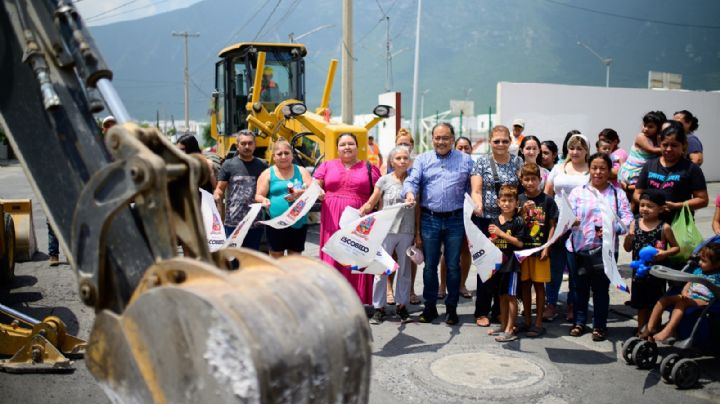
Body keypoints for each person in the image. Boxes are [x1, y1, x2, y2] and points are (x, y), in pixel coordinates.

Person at [404, 122, 473, 325]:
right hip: (430, 219)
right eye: (437, 138)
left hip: (456, 220)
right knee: (429, 266)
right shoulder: (423, 160)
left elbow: (473, 188)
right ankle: (430, 307)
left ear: (452, 139)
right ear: (432, 139)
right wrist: (408, 193)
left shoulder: (466, 161)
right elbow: (412, 181)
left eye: (445, 138)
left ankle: (452, 308)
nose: (441, 141)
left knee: (453, 266)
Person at [567, 153, 633, 341]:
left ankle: (599, 326)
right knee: (578, 289)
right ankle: (579, 322)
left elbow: (627, 219)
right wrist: (572, 221)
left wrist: (612, 228)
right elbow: (566, 217)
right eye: (594, 168)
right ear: (589, 168)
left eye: (602, 168)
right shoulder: (577, 192)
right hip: (577, 248)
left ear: (609, 170)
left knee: (601, 290)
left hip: (605, 251)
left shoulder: (617, 193)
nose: (598, 172)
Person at [314, 133, 380, 305]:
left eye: (351, 143)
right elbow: (315, 183)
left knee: (356, 255)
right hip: (331, 218)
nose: (347, 147)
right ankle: (332, 300)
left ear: (357, 147)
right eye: (343, 144)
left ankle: (357, 300)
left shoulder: (369, 167)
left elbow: (379, 191)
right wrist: (318, 190)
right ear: (337, 148)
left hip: (358, 217)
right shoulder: (327, 165)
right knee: (333, 256)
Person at [470, 125, 523, 327]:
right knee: (486, 266)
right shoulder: (482, 162)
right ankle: (482, 311)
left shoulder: (517, 162)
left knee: (506, 268)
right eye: (496, 141)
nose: (501, 144)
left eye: (504, 141)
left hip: (510, 222)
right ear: (490, 142)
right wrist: (478, 204)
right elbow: (476, 189)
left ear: (510, 142)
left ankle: (499, 311)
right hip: (488, 220)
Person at [361, 146, 415, 324]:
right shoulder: (383, 181)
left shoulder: (413, 182)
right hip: (386, 230)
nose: (402, 161)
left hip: (407, 230)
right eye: (398, 158)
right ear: (391, 161)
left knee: (405, 270)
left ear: (409, 161)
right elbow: (372, 201)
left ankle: (402, 306)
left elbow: (419, 209)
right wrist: (361, 211)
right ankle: (379, 307)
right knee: (381, 270)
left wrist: (419, 233)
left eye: (405, 158)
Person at [543, 133, 590, 322]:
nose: (575, 151)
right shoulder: (559, 167)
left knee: (574, 269)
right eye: (572, 148)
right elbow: (547, 193)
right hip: (557, 223)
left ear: (587, 150)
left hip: (580, 226)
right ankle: (551, 303)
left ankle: (572, 304)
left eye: (580, 148)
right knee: (554, 267)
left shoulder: (590, 170)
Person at [623, 191, 680, 334]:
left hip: (657, 274)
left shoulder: (664, 227)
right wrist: (628, 238)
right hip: (639, 274)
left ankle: (653, 329)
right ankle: (642, 331)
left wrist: (665, 253)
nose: (644, 209)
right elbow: (627, 248)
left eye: (650, 206)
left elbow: (676, 247)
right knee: (641, 305)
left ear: (661, 209)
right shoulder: (634, 224)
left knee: (656, 303)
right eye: (642, 205)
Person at [641, 242, 720, 343]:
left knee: (681, 302)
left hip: (704, 300)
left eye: (704, 261)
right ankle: (650, 328)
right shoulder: (698, 270)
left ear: (717, 264)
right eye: (700, 259)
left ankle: (668, 331)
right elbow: (690, 282)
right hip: (689, 296)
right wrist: (685, 290)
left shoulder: (718, 276)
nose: (700, 262)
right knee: (664, 300)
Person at [634, 122, 708, 224]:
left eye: (674, 145)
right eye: (665, 145)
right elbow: (637, 193)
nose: (668, 149)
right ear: (660, 144)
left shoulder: (691, 169)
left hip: (678, 225)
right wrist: (650, 206)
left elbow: (702, 200)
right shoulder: (649, 165)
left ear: (684, 145)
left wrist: (678, 206)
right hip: (650, 225)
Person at [383, 128, 422, 305]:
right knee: (390, 258)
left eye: (407, 144)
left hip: (408, 222)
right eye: (401, 144)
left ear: (412, 146)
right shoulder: (387, 165)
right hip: (390, 223)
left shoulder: (416, 167)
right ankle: (389, 289)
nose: (404, 147)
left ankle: (409, 290)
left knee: (408, 259)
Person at [518, 162, 558, 338]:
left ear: (540, 180)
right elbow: (513, 223)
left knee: (539, 286)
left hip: (540, 250)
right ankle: (526, 320)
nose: (530, 183)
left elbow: (552, 225)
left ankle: (539, 322)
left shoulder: (547, 200)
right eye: (526, 179)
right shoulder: (519, 199)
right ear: (521, 180)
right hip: (522, 252)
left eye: (533, 179)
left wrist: (547, 247)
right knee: (524, 285)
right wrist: (521, 211)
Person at [255, 139, 312, 258]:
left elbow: (313, 191)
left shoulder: (301, 171)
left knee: (295, 257)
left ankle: (292, 278)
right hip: (276, 223)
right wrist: (264, 200)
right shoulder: (267, 173)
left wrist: (300, 192)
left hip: (298, 222)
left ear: (292, 155)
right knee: (276, 256)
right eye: (279, 154)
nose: (283, 156)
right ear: (274, 157)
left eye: (287, 153)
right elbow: (258, 195)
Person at [214, 130, 268, 250]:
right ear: (237, 145)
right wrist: (217, 195)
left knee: (251, 261)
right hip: (233, 223)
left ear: (255, 145)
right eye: (243, 143)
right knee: (233, 260)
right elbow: (219, 189)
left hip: (255, 223)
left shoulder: (262, 166)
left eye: (250, 143)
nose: (247, 147)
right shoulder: (228, 164)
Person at [486, 185, 525, 342]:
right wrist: (489, 240)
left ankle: (510, 329)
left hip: (512, 265)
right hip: (498, 265)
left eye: (510, 200)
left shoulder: (518, 221)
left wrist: (501, 234)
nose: (507, 203)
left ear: (516, 203)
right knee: (501, 296)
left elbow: (520, 243)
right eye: (503, 200)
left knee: (511, 296)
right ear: (498, 202)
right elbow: (493, 241)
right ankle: (503, 325)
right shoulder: (495, 221)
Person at [439, 135, 474, 300]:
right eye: (460, 148)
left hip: (469, 214)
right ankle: (442, 285)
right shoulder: (451, 165)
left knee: (466, 251)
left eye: (467, 147)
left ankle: (462, 284)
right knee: (448, 252)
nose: (464, 150)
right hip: (452, 215)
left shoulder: (474, 166)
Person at [618, 111, 665, 208]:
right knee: (633, 198)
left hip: (640, 172)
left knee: (635, 198)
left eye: (650, 127)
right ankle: (629, 219)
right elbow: (651, 150)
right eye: (644, 125)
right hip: (632, 172)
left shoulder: (657, 139)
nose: (645, 129)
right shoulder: (641, 137)